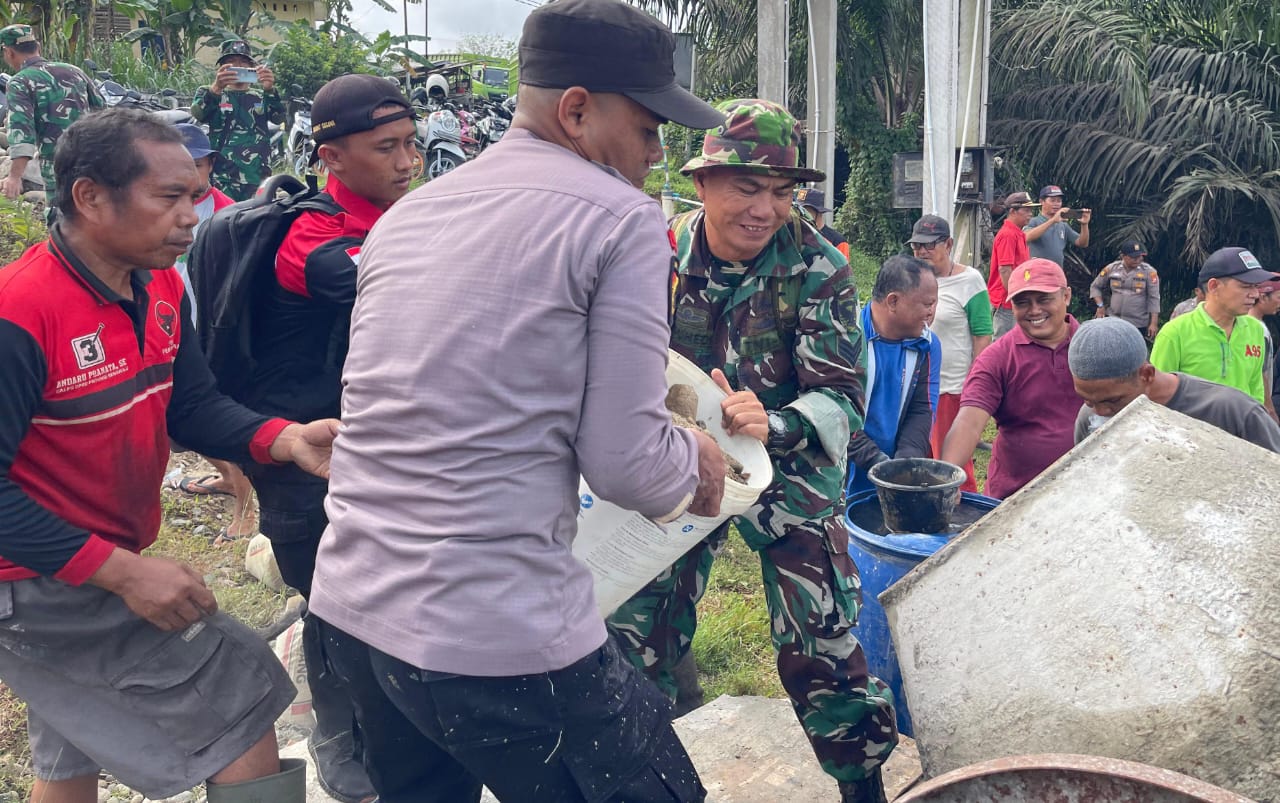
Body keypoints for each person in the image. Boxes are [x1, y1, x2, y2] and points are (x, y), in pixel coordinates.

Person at [306, 1, 729, 800]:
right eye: (647, 129)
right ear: (576, 109)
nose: (654, 153)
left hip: (352, 615)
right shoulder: (623, 221)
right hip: (493, 632)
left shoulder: (408, 216)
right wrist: (695, 454)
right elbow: (631, 465)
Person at [0, 108, 341, 803]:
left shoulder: (154, 287)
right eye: (170, 198)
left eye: (197, 194)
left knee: (70, 754)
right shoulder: (20, 314)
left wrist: (283, 437)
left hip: (86, 559)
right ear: (91, 197)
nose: (194, 215)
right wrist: (124, 572)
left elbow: (190, 407)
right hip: (37, 580)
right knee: (243, 705)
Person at [610, 98, 897, 803]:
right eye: (746, 187)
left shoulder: (818, 266)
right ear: (702, 182)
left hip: (790, 470)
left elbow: (841, 396)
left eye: (781, 190)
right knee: (631, 628)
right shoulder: (655, 252)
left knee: (823, 641)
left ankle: (864, 790)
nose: (766, 208)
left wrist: (777, 419)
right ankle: (648, 781)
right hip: (678, 460)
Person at [227, 73, 423, 803]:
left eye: (410, 143)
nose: (408, 161)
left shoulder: (394, 218)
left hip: (364, 446)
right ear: (331, 156)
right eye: (386, 147)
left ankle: (386, 725)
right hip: (300, 455)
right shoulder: (312, 238)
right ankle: (337, 730)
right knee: (334, 599)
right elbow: (403, 294)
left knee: (370, 594)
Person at [167, 123, 256, 542]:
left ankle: (246, 508)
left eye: (197, 167)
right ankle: (226, 478)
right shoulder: (151, 210)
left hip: (208, 333)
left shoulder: (229, 216)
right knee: (178, 422)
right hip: (166, 328)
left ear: (210, 166)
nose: (189, 179)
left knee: (212, 415)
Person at [942, 258, 1082, 499]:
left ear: (1066, 296)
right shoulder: (997, 358)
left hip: (1086, 491)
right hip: (1016, 498)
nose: (1034, 310)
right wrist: (947, 479)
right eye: (1022, 302)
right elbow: (969, 421)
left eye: (1044, 299)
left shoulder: (1093, 347)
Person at [1070, 317, 1280, 451]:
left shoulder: (1234, 412)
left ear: (1147, 374)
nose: (1100, 411)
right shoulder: (1090, 419)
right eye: (1088, 401)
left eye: (1113, 400)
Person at [910, 213, 992, 491]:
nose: (922, 252)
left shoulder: (970, 281)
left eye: (930, 245)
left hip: (951, 389)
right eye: (917, 246)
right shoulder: (911, 279)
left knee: (953, 464)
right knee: (922, 460)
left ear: (949, 244)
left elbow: (982, 335)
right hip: (916, 386)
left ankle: (964, 518)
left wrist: (975, 381)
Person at [847, 255, 938, 494]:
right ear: (893, 301)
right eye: (927, 304)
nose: (932, 313)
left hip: (888, 470)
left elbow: (923, 408)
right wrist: (877, 463)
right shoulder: (846, 336)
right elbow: (836, 415)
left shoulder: (927, 345)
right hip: (838, 469)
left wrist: (903, 465)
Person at [1151, 247, 1274, 404]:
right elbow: (1156, 394)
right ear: (1214, 286)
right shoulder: (1175, 333)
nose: (1255, 294)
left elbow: (1255, 390)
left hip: (1240, 427)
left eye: (1256, 286)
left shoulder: (1256, 330)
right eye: (1246, 286)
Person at [0, 24, 103, 205]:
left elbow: (22, 132)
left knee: (60, 216)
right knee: (91, 210)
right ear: (37, 47)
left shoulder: (20, 82)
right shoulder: (74, 71)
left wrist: (14, 177)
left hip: (57, 163)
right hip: (91, 159)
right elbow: (103, 113)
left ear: (8, 52)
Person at [190, 39, 284, 201]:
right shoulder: (211, 93)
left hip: (258, 176)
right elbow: (199, 114)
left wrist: (270, 89)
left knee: (259, 223)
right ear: (221, 69)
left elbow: (279, 118)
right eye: (231, 63)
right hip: (223, 177)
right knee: (223, 222)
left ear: (252, 68)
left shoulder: (261, 96)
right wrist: (216, 88)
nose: (238, 67)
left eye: (243, 63)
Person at [988, 191, 1039, 338]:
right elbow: (1005, 269)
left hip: (1014, 298)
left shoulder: (1018, 233)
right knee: (1004, 342)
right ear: (1012, 211)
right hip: (1007, 300)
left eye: (1031, 210)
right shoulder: (1008, 234)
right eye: (1026, 210)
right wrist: (1014, 296)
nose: (1030, 214)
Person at [1089, 240, 1160, 339]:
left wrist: (1153, 323)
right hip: (1113, 320)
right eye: (1133, 257)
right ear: (1123, 256)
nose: (1138, 260)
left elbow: (1154, 298)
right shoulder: (1111, 268)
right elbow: (1095, 286)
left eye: (1140, 257)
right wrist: (1100, 306)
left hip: (1137, 323)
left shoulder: (1149, 272)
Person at [1023, 184, 1091, 267]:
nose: (1056, 204)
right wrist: (1052, 221)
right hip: (1036, 273)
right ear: (1041, 201)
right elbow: (1026, 237)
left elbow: (1082, 243)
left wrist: (1084, 224)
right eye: (1052, 200)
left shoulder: (1063, 225)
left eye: (1059, 201)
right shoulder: (1033, 221)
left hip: (1056, 274)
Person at [1248, 278, 1280, 422]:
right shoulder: (1255, 330)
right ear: (1262, 297)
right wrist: (1270, 409)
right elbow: (1261, 371)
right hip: (1255, 405)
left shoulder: (1259, 327)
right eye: (1279, 297)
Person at [795, 185, 850, 258]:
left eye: (805, 210)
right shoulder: (793, 236)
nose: (800, 215)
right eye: (797, 211)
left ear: (819, 212)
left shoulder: (838, 242)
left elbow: (843, 268)